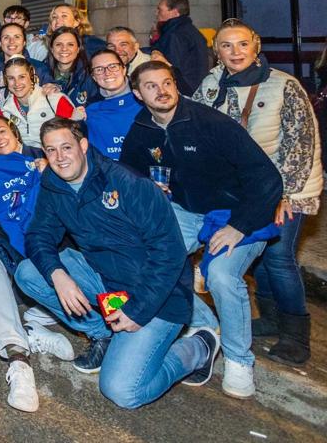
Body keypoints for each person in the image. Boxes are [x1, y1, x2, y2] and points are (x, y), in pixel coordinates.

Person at [14, 118, 220, 408]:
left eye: (66, 147)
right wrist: (58, 274)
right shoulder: (54, 182)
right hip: (106, 279)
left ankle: (199, 347)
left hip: (156, 294)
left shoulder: (127, 183)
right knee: (29, 272)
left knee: (123, 391)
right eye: (51, 150)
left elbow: (170, 255)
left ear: (83, 146)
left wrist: (136, 311)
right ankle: (103, 334)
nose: (60, 157)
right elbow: (38, 234)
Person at [120, 61, 283, 398]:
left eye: (167, 82)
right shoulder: (141, 128)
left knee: (222, 275)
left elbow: (268, 179)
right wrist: (149, 189)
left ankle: (239, 360)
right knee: (143, 260)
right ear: (137, 93)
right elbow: (129, 178)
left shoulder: (212, 124)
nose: (162, 90)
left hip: (236, 212)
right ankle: (203, 322)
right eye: (151, 86)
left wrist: (239, 226)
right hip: (185, 211)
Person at [193, 20, 322, 367]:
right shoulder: (210, 86)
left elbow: (301, 145)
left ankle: (295, 335)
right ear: (216, 51)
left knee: (279, 259)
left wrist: (284, 195)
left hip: (285, 190)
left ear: (256, 46)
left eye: (242, 45)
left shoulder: (283, 85)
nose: (235, 52)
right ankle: (268, 318)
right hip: (239, 192)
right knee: (261, 259)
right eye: (226, 46)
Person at [0, 116, 74, 412]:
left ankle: (29, 333)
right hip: (3, 247)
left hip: (41, 248)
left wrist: (47, 171)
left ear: (14, 130)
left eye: (1, 130)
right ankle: (20, 358)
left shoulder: (41, 158)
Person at [0, 58, 81, 150]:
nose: (17, 83)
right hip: (23, 159)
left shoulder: (55, 100)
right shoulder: (5, 110)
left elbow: (74, 141)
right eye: (11, 78)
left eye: (22, 77)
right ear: (5, 81)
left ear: (31, 76)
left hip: (55, 157)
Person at [83, 49, 141, 161]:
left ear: (124, 69)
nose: (107, 72)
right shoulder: (88, 109)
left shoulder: (145, 100)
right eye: (99, 69)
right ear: (94, 77)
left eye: (113, 66)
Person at [153, 0, 209, 95]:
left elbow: (172, 68)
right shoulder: (190, 30)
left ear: (174, 12)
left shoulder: (175, 35)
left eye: (160, 9)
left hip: (184, 90)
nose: (156, 13)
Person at [44, 27, 99, 106]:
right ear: (52, 49)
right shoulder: (41, 73)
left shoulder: (90, 75)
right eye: (58, 44)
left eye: (70, 44)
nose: (64, 49)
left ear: (78, 49)